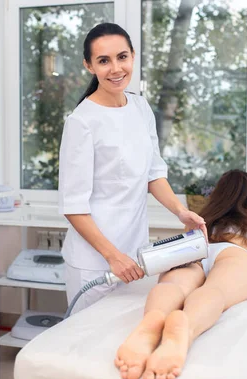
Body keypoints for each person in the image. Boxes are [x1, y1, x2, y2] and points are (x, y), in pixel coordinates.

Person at [58, 22, 206, 314]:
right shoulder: (81, 122)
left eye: (122, 57)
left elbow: (153, 174)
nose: (115, 68)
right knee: (89, 347)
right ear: (89, 65)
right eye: (104, 60)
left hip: (136, 257)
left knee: (125, 343)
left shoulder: (140, 108)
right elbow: (73, 206)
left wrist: (180, 211)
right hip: (95, 262)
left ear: (133, 56)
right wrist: (113, 256)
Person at [114, 169, 247, 379]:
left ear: (217, 195)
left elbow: (189, 233)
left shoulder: (201, 220)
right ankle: (186, 327)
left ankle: (154, 318)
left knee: (173, 285)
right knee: (216, 290)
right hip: (235, 252)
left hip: (195, 247)